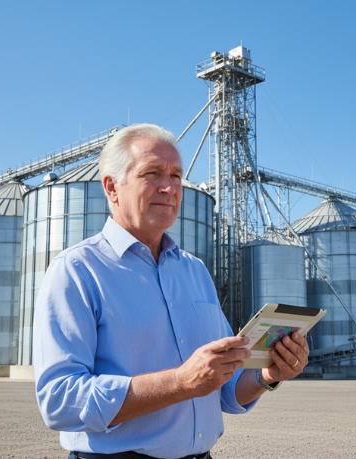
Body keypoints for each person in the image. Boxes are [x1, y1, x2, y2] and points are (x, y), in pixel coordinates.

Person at [33, 124, 309, 459]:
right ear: (112, 188)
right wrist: (179, 382)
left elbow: (225, 388)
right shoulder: (77, 271)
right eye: (153, 173)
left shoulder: (194, 270)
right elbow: (60, 401)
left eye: (177, 175)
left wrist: (268, 374)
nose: (169, 187)